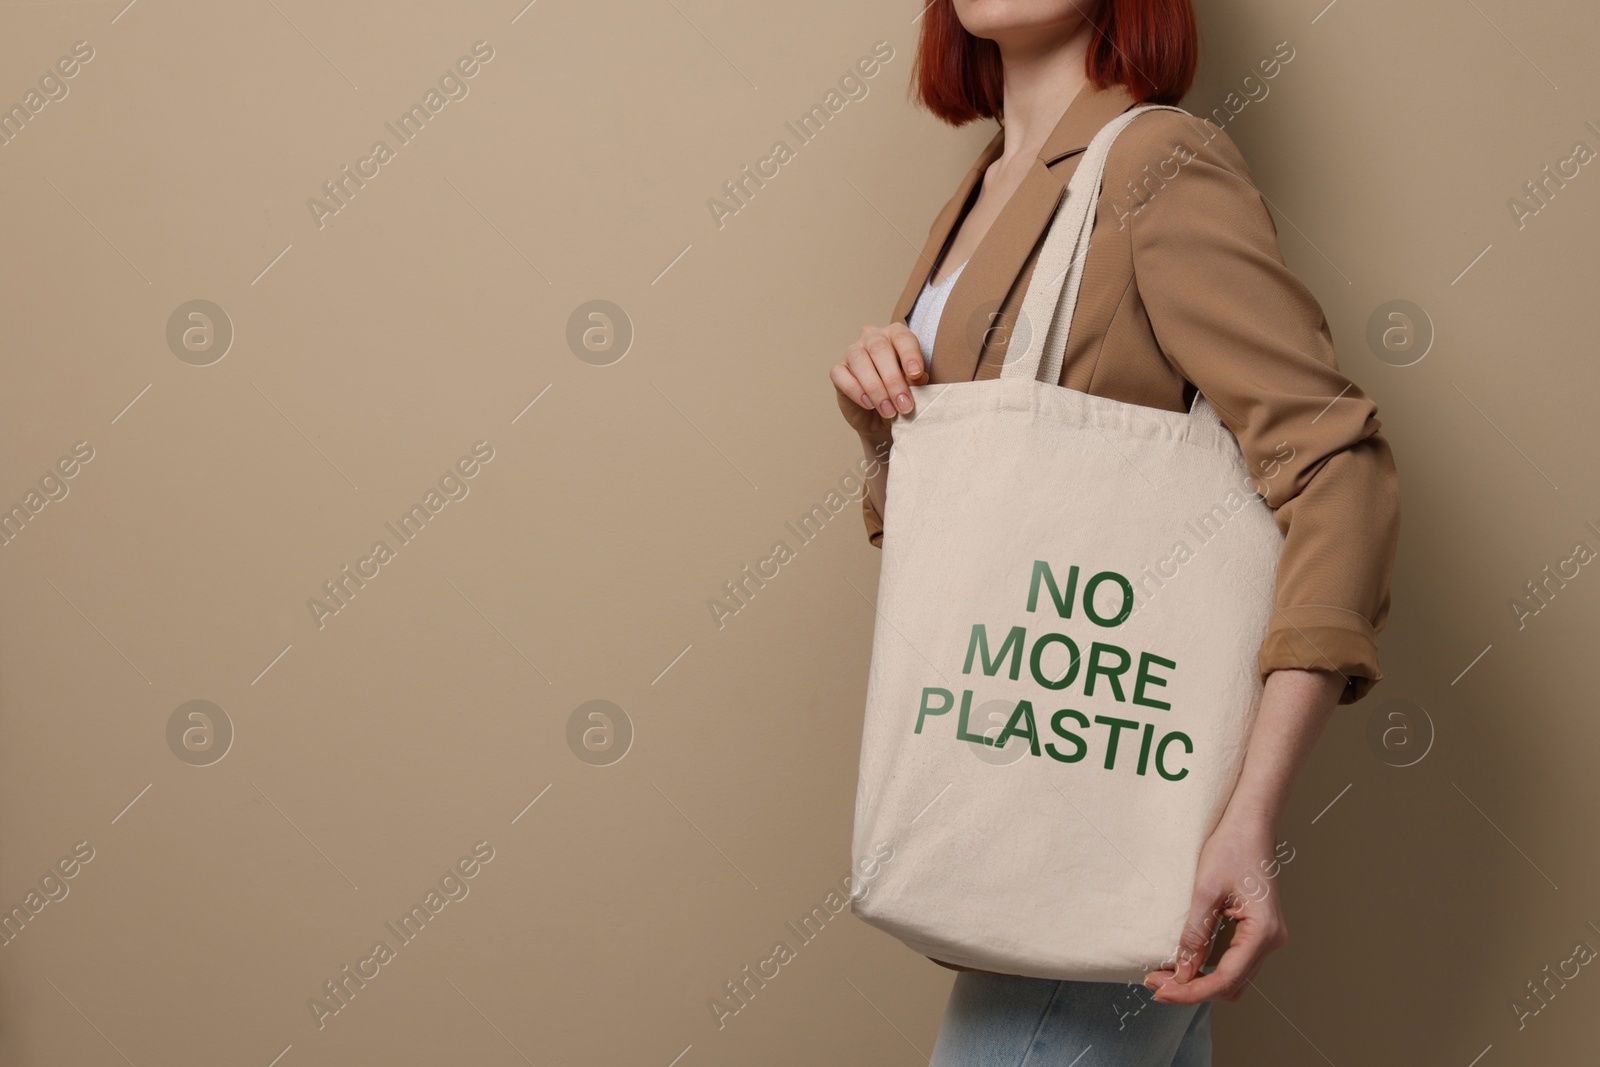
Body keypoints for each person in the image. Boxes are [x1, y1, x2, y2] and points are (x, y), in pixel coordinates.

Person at [829, 1, 1400, 1063]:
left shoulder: (1155, 157)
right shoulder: (986, 180)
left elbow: (1336, 468)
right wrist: (884, 432)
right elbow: (982, 529)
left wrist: (1246, 811)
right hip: (1029, 797)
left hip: (1089, 816)